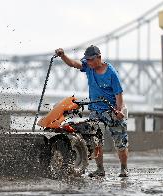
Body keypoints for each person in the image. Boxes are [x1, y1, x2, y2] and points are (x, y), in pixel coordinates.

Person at [55, 45, 129, 177]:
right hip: (96, 111)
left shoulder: (111, 73)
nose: (88, 62)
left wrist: (120, 111)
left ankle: (124, 169)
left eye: (90, 60)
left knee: (120, 143)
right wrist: (63, 56)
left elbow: (119, 97)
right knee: (95, 142)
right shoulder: (89, 67)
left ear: (99, 58)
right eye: (87, 60)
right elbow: (73, 63)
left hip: (112, 111)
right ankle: (100, 169)